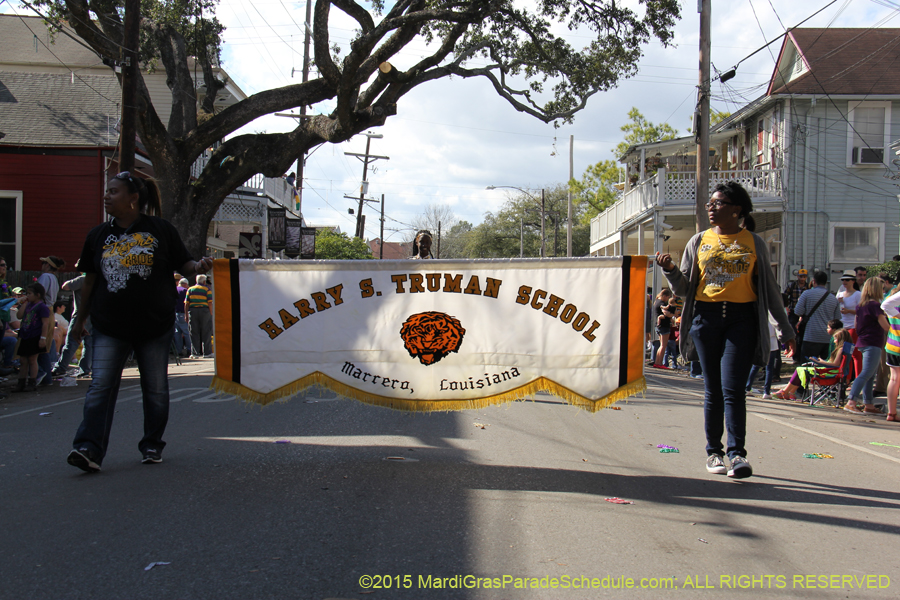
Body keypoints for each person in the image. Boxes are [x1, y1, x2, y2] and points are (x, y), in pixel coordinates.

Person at [66, 171, 213, 473]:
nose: (106, 195)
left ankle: (151, 444)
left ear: (133, 199)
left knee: (155, 388)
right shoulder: (97, 236)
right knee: (100, 386)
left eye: (114, 191)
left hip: (154, 326)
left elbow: (185, 265)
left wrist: (198, 266)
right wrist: (81, 321)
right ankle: (88, 448)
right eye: (106, 191)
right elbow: (90, 283)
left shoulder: (161, 230)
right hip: (109, 326)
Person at [656, 181, 795, 479]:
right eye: (710, 203)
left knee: (733, 389)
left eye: (718, 203)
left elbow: (769, 291)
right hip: (706, 320)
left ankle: (737, 455)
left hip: (741, 320)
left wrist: (785, 329)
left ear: (737, 210)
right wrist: (670, 271)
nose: (711, 208)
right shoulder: (698, 241)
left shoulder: (754, 242)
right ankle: (714, 453)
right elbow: (683, 289)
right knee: (713, 390)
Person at [843, 277, 889, 415]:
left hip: (862, 342)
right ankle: (851, 402)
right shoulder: (876, 306)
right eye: (881, 288)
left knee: (870, 374)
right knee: (866, 373)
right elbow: (885, 327)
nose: (883, 290)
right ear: (876, 289)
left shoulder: (861, 306)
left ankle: (868, 404)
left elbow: (857, 325)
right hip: (873, 342)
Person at [773, 328, 853, 401]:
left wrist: (819, 362)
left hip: (831, 373)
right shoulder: (846, 348)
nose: (834, 341)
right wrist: (821, 361)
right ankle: (790, 392)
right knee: (801, 369)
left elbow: (835, 364)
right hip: (833, 371)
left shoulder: (840, 349)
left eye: (835, 339)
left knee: (800, 369)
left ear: (840, 339)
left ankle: (786, 392)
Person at [51, 264, 93, 378]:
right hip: (92, 315)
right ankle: (85, 369)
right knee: (88, 344)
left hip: (80, 315)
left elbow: (65, 286)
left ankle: (61, 368)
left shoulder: (83, 279)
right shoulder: (98, 280)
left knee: (71, 342)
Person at [10, 283, 51, 393]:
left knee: (32, 359)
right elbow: (19, 316)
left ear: (37, 295)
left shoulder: (42, 307)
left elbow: (45, 324)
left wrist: (43, 338)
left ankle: (32, 382)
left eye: (29, 294)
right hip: (25, 335)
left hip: (35, 336)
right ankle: (21, 382)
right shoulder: (28, 305)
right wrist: (24, 302)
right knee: (23, 360)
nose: (27, 295)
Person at [794, 270, 841, 362]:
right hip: (828, 337)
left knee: (807, 365)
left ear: (813, 281)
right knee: (824, 367)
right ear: (826, 282)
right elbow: (837, 318)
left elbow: (798, 311)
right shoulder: (833, 298)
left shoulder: (806, 294)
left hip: (810, 335)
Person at [746, 315, 779, 399]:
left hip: (762, 341)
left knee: (756, 366)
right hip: (772, 342)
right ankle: (766, 392)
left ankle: (747, 388)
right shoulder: (773, 314)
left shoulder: (761, 313)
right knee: (769, 368)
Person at [881, 284, 900, 423]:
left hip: (893, 345)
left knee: (894, 379)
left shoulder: (893, 308)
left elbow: (885, 305)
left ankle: (891, 412)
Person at [185, 274, 214, 358]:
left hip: (193, 311)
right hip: (205, 311)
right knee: (206, 331)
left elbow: (186, 303)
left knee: (193, 332)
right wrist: (211, 313)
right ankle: (207, 353)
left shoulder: (190, 289)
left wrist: (186, 314)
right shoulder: (207, 289)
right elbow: (209, 302)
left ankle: (195, 353)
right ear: (204, 281)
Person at [651, 289, 674, 368]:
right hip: (664, 326)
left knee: (661, 345)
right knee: (663, 345)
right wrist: (672, 314)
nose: (668, 299)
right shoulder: (662, 303)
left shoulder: (656, 302)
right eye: (668, 297)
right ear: (664, 296)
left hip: (658, 326)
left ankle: (657, 362)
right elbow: (667, 314)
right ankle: (659, 363)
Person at [782, 268, 809, 336]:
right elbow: (785, 295)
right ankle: (794, 341)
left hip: (804, 311)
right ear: (797, 276)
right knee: (792, 326)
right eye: (801, 276)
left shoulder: (808, 287)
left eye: (804, 277)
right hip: (793, 310)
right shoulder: (792, 285)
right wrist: (786, 306)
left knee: (803, 328)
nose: (802, 279)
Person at [173, 277, 191, 357]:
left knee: (177, 333)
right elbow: (187, 302)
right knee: (187, 332)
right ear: (185, 284)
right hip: (183, 313)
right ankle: (189, 350)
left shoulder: (173, 289)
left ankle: (178, 351)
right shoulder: (184, 291)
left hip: (174, 314)